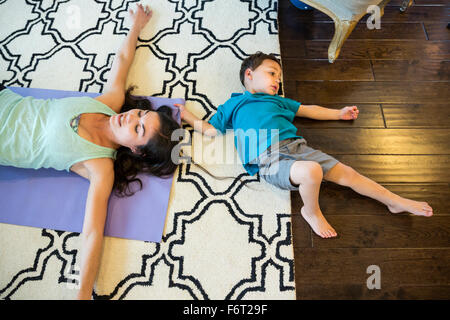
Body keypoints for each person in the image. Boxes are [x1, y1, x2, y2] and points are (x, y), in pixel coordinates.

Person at [0, 4, 180, 299]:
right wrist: (136, 26)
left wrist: (83, 293)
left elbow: (92, 233)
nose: (130, 118)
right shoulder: (108, 102)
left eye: (137, 129)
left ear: (135, 149)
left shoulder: (99, 167)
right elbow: (122, 59)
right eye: (139, 115)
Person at [175, 51, 433, 240]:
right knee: (311, 171)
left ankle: (395, 201)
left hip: (297, 148)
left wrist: (338, 113)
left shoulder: (280, 101)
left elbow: (308, 110)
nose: (277, 80)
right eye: (271, 73)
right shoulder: (235, 104)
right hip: (268, 160)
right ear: (249, 75)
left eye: (279, 76)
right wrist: (187, 116)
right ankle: (311, 211)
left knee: (349, 174)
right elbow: (211, 129)